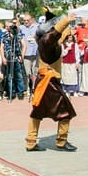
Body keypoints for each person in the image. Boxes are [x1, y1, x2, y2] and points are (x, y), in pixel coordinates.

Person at [24, 10, 78, 152]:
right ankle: (61, 141)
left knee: (37, 112)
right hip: (49, 83)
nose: (67, 33)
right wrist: (66, 20)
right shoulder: (48, 41)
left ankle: (31, 142)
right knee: (66, 111)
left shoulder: (49, 42)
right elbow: (54, 34)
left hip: (46, 81)